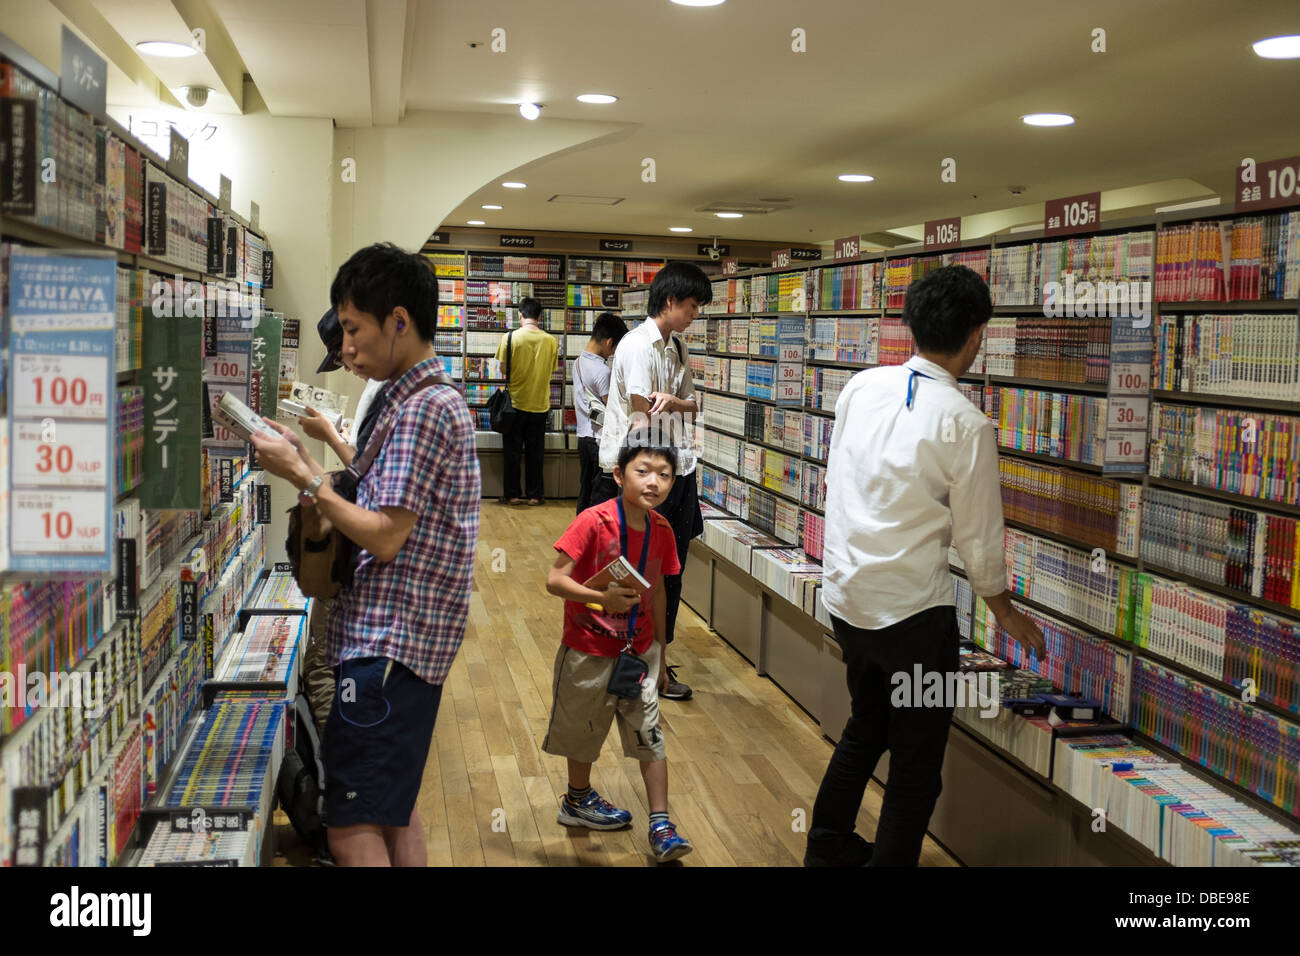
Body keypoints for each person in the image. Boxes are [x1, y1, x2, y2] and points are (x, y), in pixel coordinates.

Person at [806, 265, 1047, 868]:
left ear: (910, 324)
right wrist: (1006, 614)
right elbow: (979, 539)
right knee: (916, 764)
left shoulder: (861, 387)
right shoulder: (966, 424)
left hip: (847, 599)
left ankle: (827, 849)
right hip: (914, 618)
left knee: (866, 727)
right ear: (975, 337)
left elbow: (842, 481)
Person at [251, 242, 481, 867]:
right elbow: (391, 493)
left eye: (353, 328)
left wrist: (304, 474)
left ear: (399, 322)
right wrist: (325, 454)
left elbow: (383, 533)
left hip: (389, 645)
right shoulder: (416, 399)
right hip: (400, 643)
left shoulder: (424, 408)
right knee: (393, 807)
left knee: (351, 824)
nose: (345, 346)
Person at [543, 443, 692, 863]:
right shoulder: (593, 521)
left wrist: (660, 652)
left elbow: (660, 590)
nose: (653, 481)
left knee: (651, 736)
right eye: (643, 471)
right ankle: (577, 800)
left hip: (638, 653)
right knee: (584, 731)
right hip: (588, 650)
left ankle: (660, 824)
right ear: (619, 475)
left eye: (664, 474)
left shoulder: (662, 530)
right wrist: (599, 596)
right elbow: (554, 581)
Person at [593, 262, 713, 701]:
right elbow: (644, 411)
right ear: (669, 301)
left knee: (672, 569)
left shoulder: (676, 348)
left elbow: (690, 405)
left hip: (677, 466)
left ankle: (658, 660)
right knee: (638, 570)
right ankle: (627, 659)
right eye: (693, 305)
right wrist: (675, 405)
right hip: (642, 473)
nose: (695, 314)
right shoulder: (637, 346)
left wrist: (677, 403)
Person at [296, 307, 388, 738]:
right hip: (364, 535)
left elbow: (374, 473)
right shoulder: (387, 383)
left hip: (359, 540)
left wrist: (329, 439)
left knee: (323, 657)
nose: (346, 368)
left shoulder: (388, 388)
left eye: (343, 357)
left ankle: (341, 767)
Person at [495, 296, 559, 505]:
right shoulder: (551, 341)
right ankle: (534, 495)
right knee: (535, 453)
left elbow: (504, 369)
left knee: (512, 452)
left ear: (520, 315)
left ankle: (512, 494)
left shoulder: (510, 338)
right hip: (540, 404)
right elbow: (551, 370)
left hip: (514, 403)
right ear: (540, 317)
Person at [573, 311, 628, 513]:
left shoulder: (579, 361)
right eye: (615, 348)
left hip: (583, 437)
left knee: (586, 490)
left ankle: (581, 537)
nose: (614, 353)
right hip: (599, 439)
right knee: (602, 495)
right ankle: (596, 539)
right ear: (609, 342)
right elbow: (612, 408)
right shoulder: (602, 371)